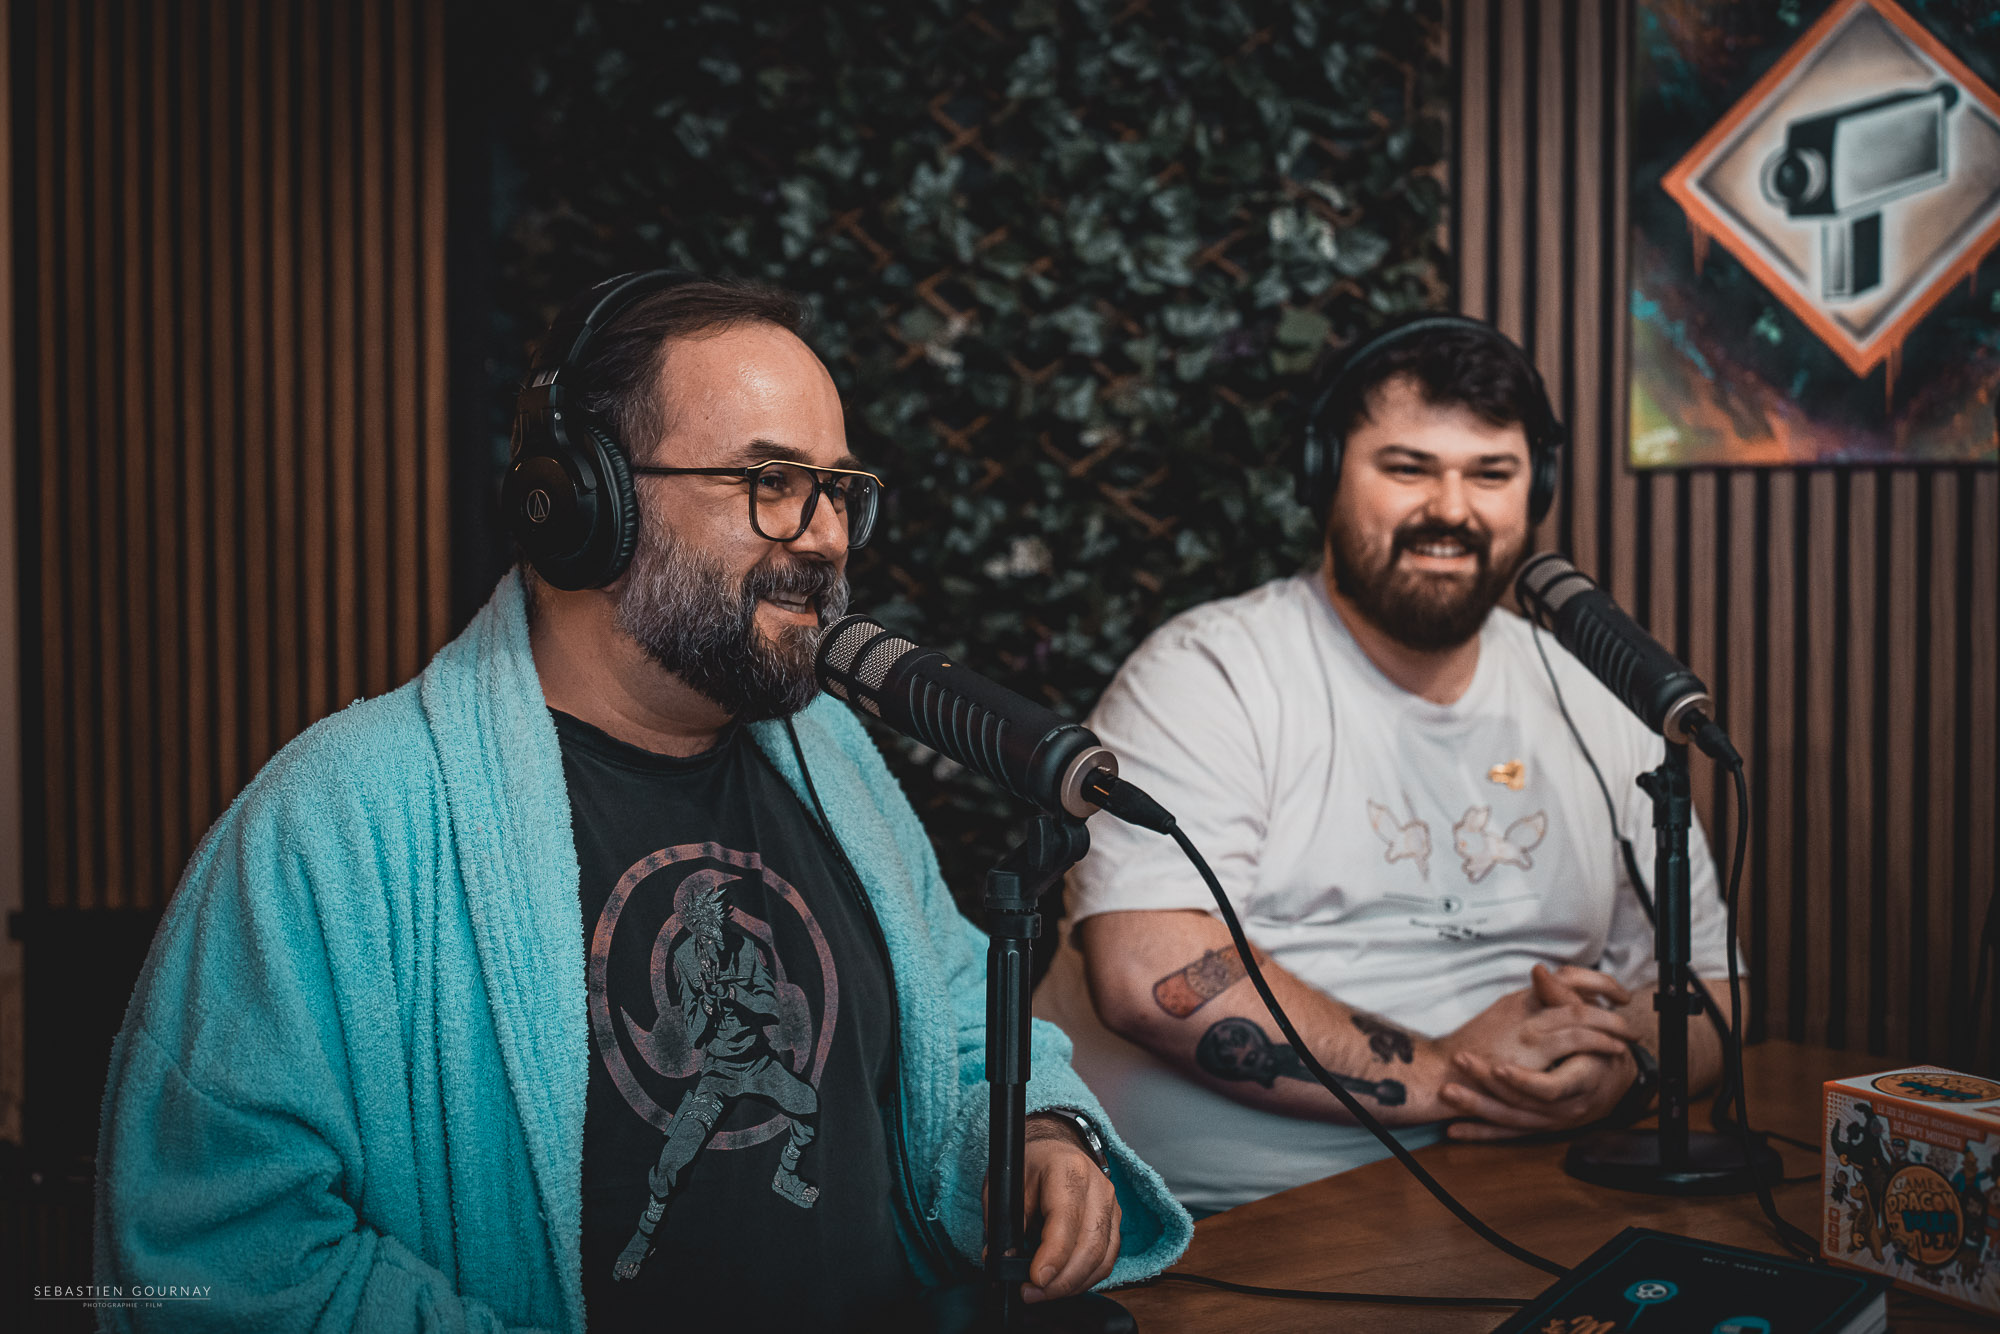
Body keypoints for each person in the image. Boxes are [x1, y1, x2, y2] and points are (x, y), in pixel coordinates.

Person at [95, 270, 1190, 1332]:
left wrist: (1036, 1131)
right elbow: (222, 1246)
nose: (823, 534)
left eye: (837, 489)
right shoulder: (342, 817)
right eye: (770, 481)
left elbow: (951, 1018)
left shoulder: (830, 755)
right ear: (587, 503)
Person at [1035, 315, 1740, 1215]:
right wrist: (1447, 1073)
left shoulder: (1598, 697)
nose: (1451, 510)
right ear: (1324, 476)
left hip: (1535, 1194)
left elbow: (1713, 989)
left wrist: (1625, 1066)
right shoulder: (1208, 674)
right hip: (1233, 1224)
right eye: (1408, 469)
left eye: (1491, 474)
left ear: (1538, 489)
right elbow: (1148, 977)